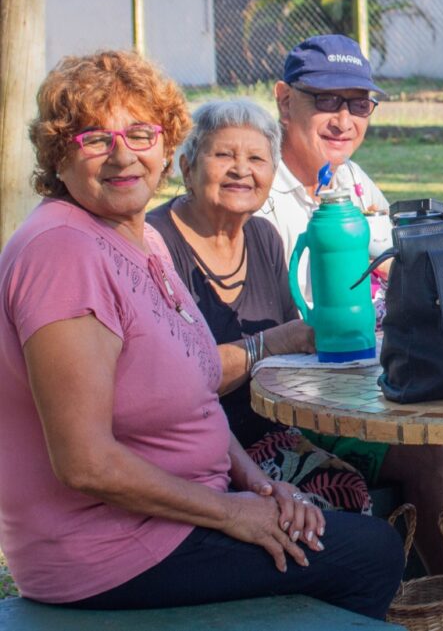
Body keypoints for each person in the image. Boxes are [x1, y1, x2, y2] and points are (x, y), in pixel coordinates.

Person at [0, 51, 402, 618]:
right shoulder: (63, 252)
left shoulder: (143, 240)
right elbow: (84, 463)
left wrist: (258, 486)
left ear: (166, 147)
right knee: (369, 554)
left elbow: (197, 400)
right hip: (108, 552)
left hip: (178, 516)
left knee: (343, 529)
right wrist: (233, 513)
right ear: (58, 153)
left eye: (140, 134)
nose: (122, 155)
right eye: (95, 138)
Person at [255, 34, 443, 575]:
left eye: (359, 104)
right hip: (304, 404)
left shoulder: (352, 179)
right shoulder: (261, 190)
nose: (344, 119)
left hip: (375, 384)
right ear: (285, 101)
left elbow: (399, 269)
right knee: (432, 451)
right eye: (327, 101)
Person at [147, 99, 371, 513]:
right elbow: (170, 387)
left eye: (256, 158)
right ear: (187, 169)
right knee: (336, 505)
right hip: (195, 452)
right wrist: (269, 343)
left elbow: (295, 361)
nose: (241, 169)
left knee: (400, 467)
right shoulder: (155, 247)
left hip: (278, 432)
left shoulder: (264, 237)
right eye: (223, 155)